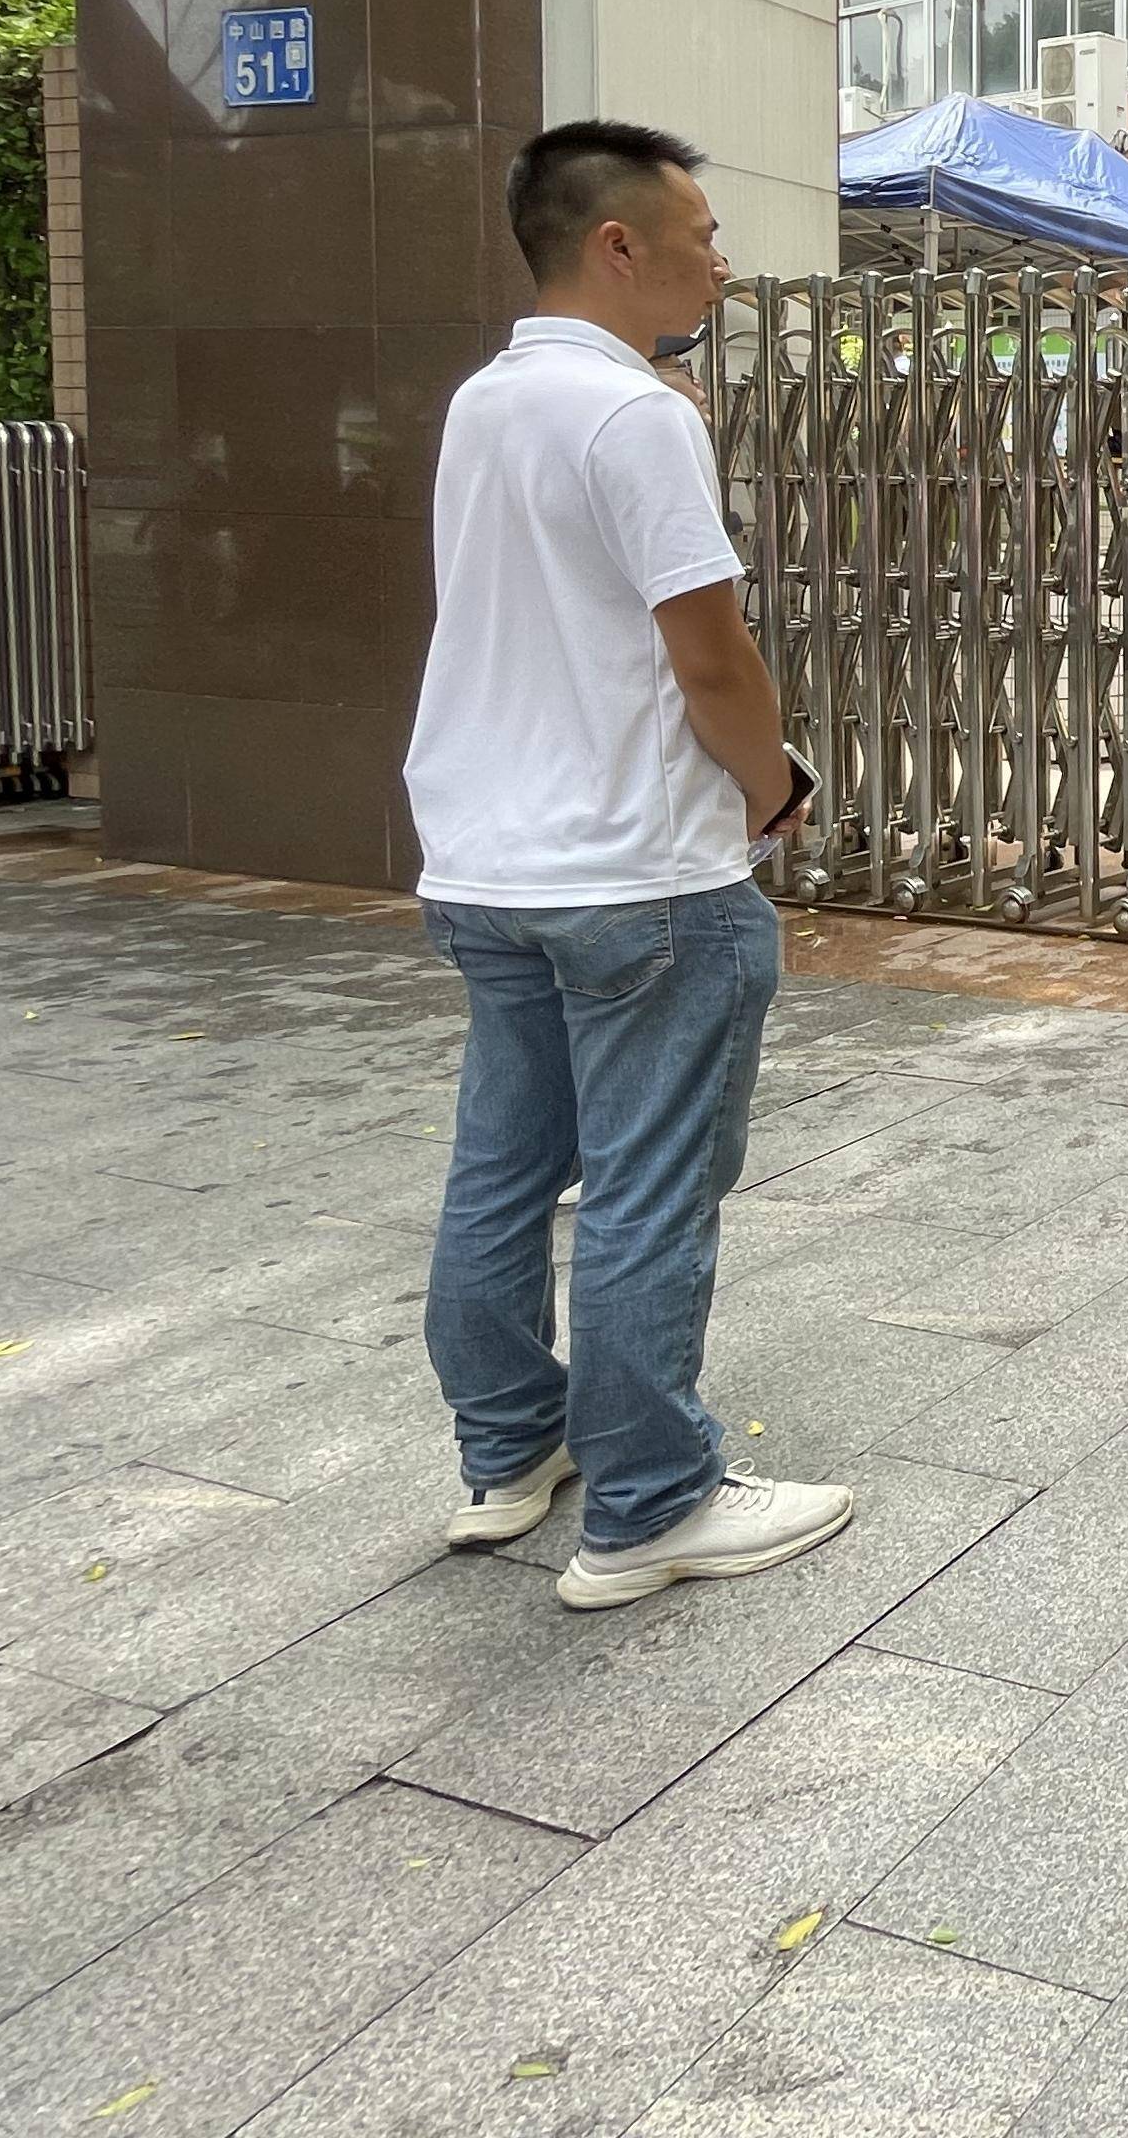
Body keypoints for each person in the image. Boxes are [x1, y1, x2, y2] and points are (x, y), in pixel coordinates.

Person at [405, 122, 852, 1609]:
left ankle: (507, 1452)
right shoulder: (636, 417)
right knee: (648, 1189)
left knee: (501, 1171)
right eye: (703, 234)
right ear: (618, 244)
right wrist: (774, 786)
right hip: (637, 870)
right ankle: (654, 1504)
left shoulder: (486, 401)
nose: (720, 262)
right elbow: (709, 656)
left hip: (486, 862)